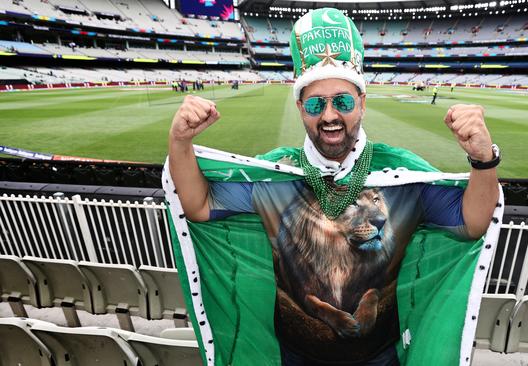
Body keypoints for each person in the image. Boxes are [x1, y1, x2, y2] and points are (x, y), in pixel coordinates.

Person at [168, 8, 499, 365]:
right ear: (299, 107)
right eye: (315, 104)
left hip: (379, 357)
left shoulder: (401, 174)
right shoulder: (276, 174)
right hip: (296, 355)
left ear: (362, 103)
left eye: (342, 101)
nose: (329, 116)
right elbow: (199, 205)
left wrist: (483, 160)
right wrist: (179, 141)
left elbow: (472, 222)